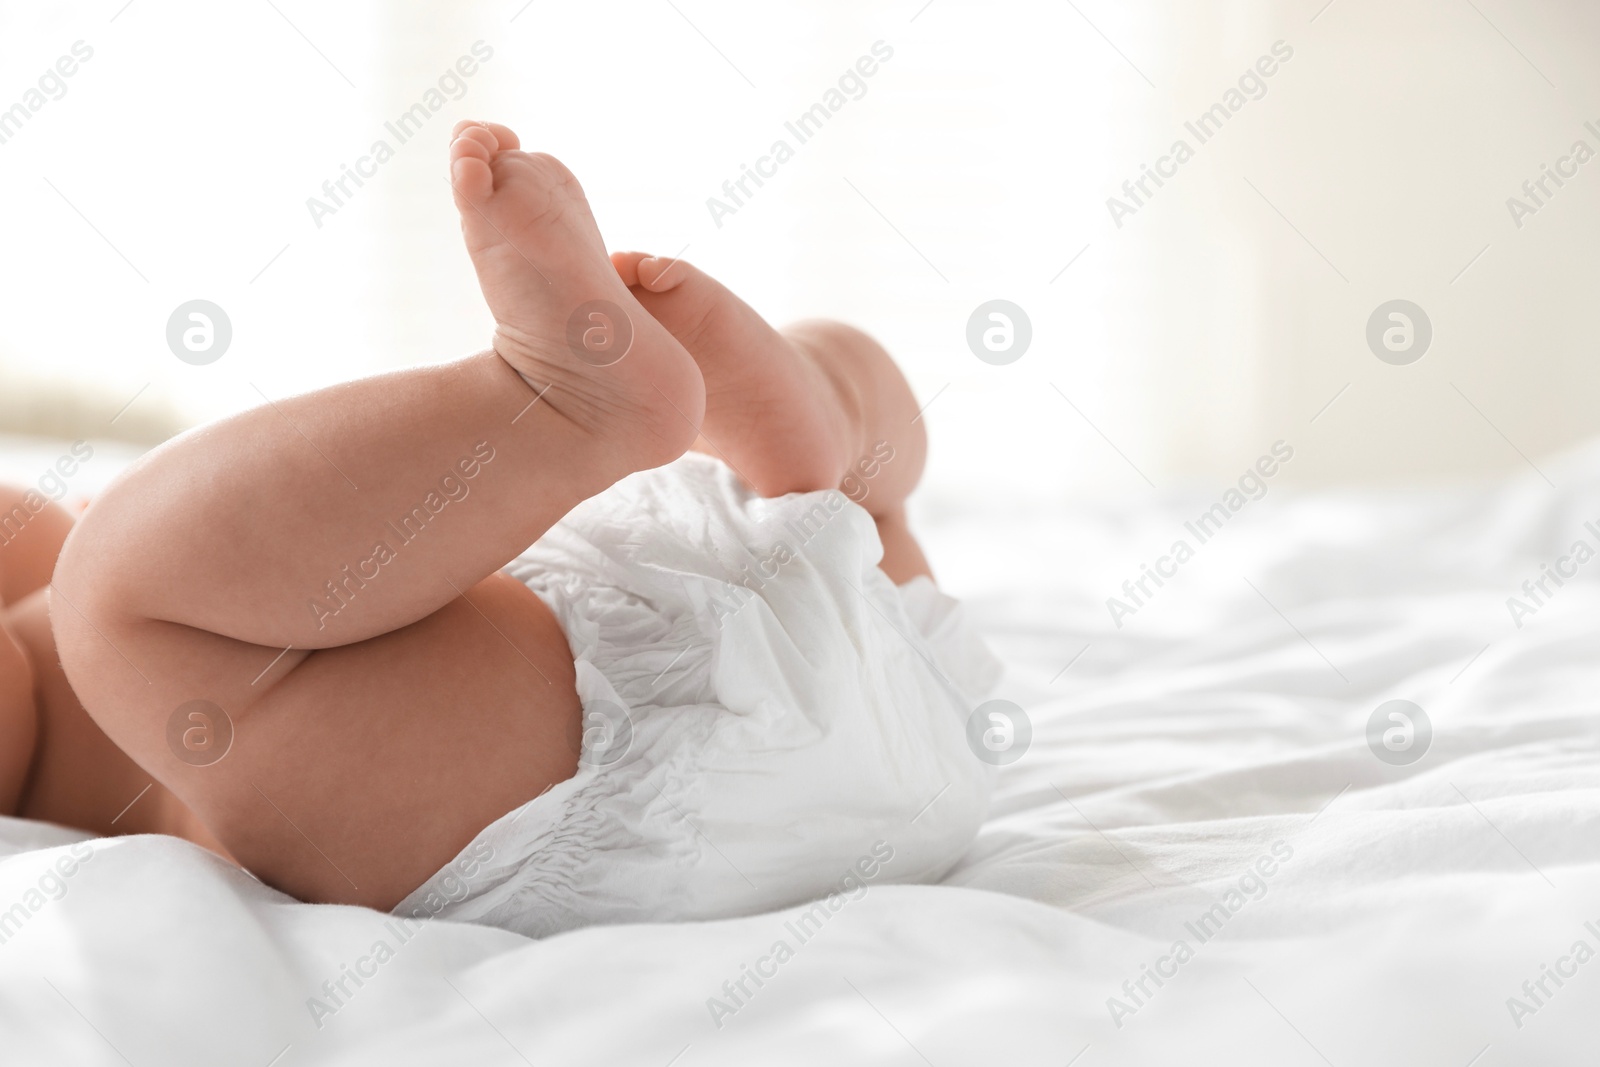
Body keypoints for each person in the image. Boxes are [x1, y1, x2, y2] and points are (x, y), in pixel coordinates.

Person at [3, 121, 997, 936]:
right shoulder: (97, 672)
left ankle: (811, 411)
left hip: (851, 679)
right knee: (114, 585)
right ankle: (560, 405)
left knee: (843, 403)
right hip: (722, 764)